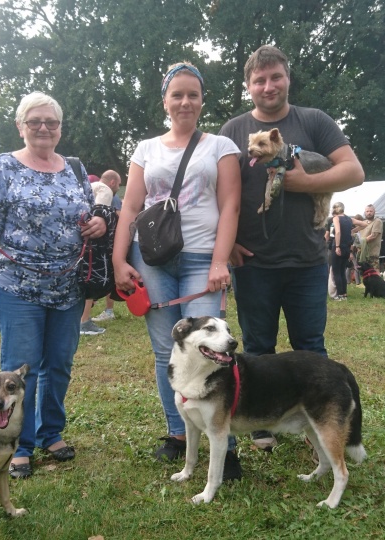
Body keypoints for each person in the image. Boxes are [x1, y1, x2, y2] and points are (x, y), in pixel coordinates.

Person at [218, 45, 364, 451]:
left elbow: (353, 171)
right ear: (248, 86)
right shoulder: (232, 131)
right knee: (257, 349)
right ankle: (262, 421)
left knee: (311, 349)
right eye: (259, 80)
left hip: (306, 260)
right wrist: (226, 245)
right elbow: (219, 193)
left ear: (287, 78)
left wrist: (303, 184)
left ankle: (318, 420)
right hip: (253, 262)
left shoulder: (314, 122)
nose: (268, 86)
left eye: (275, 77)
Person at [0, 91, 107, 479]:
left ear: (60, 128)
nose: (44, 128)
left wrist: (96, 223)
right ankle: (18, 445)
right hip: (17, 285)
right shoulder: (5, 165)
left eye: (52, 122)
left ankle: (51, 433)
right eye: (35, 122)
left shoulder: (73, 168)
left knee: (59, 363)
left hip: (68, 286)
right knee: (19, 371)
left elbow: (87, 212)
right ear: (20, 126)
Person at [112, 62, 242, 474]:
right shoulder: (145, 148)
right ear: (165, 100)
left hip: (204, 257)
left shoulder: (220, 146)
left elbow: (230, 206)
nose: (185, 101)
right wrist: (118, 259)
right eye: (177, 94)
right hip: (151, 259)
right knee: (166, 350)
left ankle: (226, 439)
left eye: (193, 94)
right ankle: (179, 432)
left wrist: (221, 260)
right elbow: (130, 206)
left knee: (211, 349)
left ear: (202, 100)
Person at [84, 170, 123, 332]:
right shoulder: (105, 191)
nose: (118, 187)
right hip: (95, 246)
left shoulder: (88, 187)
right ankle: (84, 321)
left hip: (80, 244)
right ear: (113, 182)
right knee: (91, 277)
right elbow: (101, 218)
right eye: (119, 184)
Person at [330, 202, 353, 300]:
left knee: (336, 272)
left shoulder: (336, 218)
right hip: (347, 247)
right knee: (342, 271)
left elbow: (338, 231)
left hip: (339, 246)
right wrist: (352, 231)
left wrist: (337, 246)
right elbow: (363, 224)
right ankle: (344, 294)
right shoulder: (349, 219)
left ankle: (339, 295)